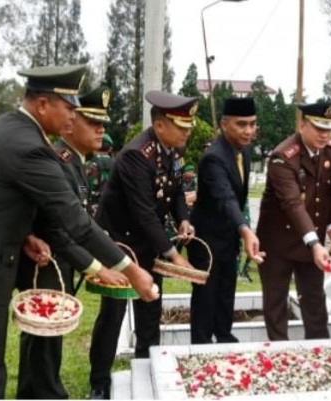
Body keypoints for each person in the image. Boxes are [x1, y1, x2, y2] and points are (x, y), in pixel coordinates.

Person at [0, 64, 157, 399]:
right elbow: (75, 221)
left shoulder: (11, 129)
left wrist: (24, 237)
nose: (73, 117)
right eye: (69, 107)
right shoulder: (29, 145)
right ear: (44, 105)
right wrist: (131, 270)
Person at [14, 86, 127, 399]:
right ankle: (47, 393)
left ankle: (31, 392)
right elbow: (58, 230)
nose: (101, 130)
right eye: (93, 123)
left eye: (103, 123)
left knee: (43, 335)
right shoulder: (60, 161)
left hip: (57, 257)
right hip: (47, 258)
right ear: (71, 121)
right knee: (45, 335)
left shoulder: (75, 163)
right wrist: (96, 265)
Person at [89, 90, 198, 398]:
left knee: (151, 307)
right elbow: (144, 213)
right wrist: (174, 254)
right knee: (113, 315)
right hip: (119, 246)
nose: (187, 131)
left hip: (148, 245)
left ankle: (146, 368)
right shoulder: (137, 155)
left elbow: (176, 192)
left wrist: (183, 220)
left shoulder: (173, 153)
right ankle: (99, 382)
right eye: (181, 125)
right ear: (160, 125)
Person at [256, 101, 331, 341]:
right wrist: (315, 244)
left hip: (310, 242)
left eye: (329, 129)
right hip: (277, 244)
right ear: (302, 125)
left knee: (314, 301)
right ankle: (280, 354)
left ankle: (320, 352)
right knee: (276, 303)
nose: (325, 135)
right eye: (318, 128)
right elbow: (293, 204)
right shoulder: (282, 157)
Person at [188, 97, 263, 344]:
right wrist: (245, 229)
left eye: (252, 124)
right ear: (224, 124)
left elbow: (237, 199)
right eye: (241, 124)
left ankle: (224, 335)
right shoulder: (214, 157)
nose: (249, 130)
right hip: (207, 242)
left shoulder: (244, 152)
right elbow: (225, 197)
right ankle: (200, 346)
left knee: (226, 293)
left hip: (228, 240)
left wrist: (240, 232)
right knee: (206, 298)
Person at [86, 133, 114, 217]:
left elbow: (84, 185)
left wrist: (82, 194)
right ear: (110, 149)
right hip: (114, 207)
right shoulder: (118, 164)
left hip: (95, 207)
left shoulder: (91, 165)